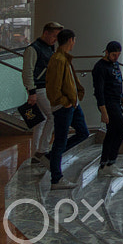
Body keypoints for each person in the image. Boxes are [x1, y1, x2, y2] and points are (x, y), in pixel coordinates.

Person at [44, 28, 89, 189]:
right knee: (60, 141)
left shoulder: (64, 58)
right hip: (65, 105)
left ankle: (50, 158)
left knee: (83, 132)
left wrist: (76, 97)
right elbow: (53, 87)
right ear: (70, 40)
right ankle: (56, 178)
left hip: (72, 104)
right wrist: (64, 101)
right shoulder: (58, 60)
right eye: (74, 40)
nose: (74, 43)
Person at [21, 21, 62, 160]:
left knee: (41, 120)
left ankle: (36, 152)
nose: (55, 39)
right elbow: (28, 71)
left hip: (44, 87)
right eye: (54, 36)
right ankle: (42, 149)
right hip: (39, 88)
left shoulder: (49, 47)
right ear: (46, 33)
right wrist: (31, 91)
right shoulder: (33, 49)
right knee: (53, 115)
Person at [91, 40, 123, 176]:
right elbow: (99, 91)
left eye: (117, 55)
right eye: (113, 55)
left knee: (112, 132)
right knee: (122, 130)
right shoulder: (100, 68)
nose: (115, 57)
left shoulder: (115, 64)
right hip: (108, 103)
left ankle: (105, 164)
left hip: (116, 102)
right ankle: (110, 161)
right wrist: (103, 111)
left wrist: (122, 99)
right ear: (106, 52)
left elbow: (118, 82)